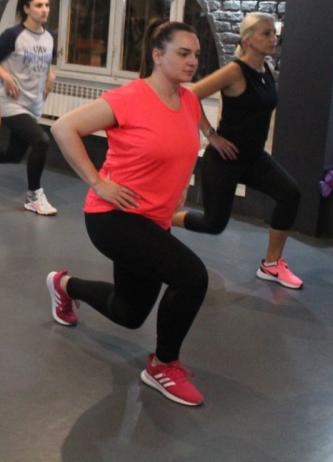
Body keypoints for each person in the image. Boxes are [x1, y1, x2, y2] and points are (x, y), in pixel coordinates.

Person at [49, 21, 210, 407]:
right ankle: (163, 365)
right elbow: (64, 128)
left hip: (153, 221)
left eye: (196, 55)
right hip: (113, 216)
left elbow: (189, 144)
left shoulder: (189, 101)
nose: (192, 61)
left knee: (129, 313)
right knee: (192, 277)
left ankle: (64, 285)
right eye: (183, 53)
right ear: (157, 55)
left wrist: (183, 187)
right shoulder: (130, 97)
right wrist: (97, 182)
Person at [172, 12, 303, 289]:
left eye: (274, 33)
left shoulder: (266, 70)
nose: (273, 38)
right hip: (224, 160)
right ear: (248, 40)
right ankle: (162, 218)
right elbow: (189, 96)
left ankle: (271, 265)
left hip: (253, 158)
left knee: (290, 193)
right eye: (266, 33)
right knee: (213, 225)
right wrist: (211, 135)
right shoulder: (235, 71)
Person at [0, 0, 58, 215]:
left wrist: (51, 75)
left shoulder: (49, 36)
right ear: (26, 8)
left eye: (47, 5)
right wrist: (5, 76)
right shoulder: (13, 35)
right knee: (41, 140)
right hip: (10, 103)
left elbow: (48, 61)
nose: (44, 10)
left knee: (14, 155)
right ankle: (33, 197)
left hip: (33, 103)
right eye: (39, 5)